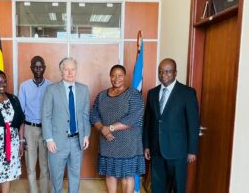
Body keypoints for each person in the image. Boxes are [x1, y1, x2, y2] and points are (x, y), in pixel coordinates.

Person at [143, 58, 200, 193]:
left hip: (178, 151)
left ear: (175, 73)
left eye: (168, 71)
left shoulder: (187, 93)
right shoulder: (152, 93)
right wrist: (146, 145)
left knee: (178, 187)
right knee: (157, 187)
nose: (164, 75)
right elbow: (148, 122)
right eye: (161, 72)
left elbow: (193, 123)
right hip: (156, 150)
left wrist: (192, 150)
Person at [90, 65, 145, 193]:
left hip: (128, 144)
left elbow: (134, 117)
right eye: (113, 75)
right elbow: (93, 114)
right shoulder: (102, 95)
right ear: (110, 77)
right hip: (107, 142)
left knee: (127, 176)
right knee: (110, 174)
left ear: (125, 76)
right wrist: (102, 128)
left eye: (120, 75)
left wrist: (109, 128)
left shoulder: (134, 94)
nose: (116, 78)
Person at [42, 57, 90, 193]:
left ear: (76, 71)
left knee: (75, 176)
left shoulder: (84, 89)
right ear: (61, 72)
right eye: (66, 69)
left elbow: (85, 115)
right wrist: (49, 139)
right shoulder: (51, 90)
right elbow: (46, 116)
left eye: (73, 69)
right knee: (56, 177)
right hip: (56, 142)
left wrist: (86, 135)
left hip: (77, 141)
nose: (70, 72)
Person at [18, 56, 51, 193]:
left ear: (44, 67)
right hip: (29, 128)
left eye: (40, 66)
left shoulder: (51, 85)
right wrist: (21, 136)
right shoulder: (24, 86)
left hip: (46, 128)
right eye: (35, 66)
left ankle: (44, 191)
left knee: (45, 164)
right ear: (31, 68)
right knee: (30, 165)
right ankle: (33, 191)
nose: (38, 69)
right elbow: (20, 112)